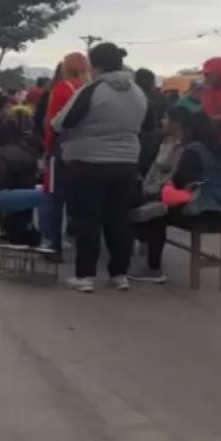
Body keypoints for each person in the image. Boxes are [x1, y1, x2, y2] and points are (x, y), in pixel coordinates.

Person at [52, 43, 146, 293]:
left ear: (97, 66)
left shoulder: (92, 91)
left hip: (89, 163)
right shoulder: (137, 92)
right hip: (127, 163)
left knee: (88, 220)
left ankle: (85, 276)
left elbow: (62, 122)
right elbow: (145, 123)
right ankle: (119, 274)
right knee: (119, 220)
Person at [129, 105, 221, 284]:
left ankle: (153, 269)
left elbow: (179, 181)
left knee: (155, 214)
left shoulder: (195, 150)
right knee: (158, 205)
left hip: (207, 212)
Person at [40, 53, 91, 256]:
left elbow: (52, 124)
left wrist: (47, 150)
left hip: (60, 150)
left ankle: (53, 244)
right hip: (85, 151)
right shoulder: (90, 90)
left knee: (53, 197)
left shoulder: (62, 89)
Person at [0, 117, 50, 248]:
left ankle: (19, 230)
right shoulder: (28, 160)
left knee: (34, 195)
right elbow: (27, 187)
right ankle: (47, 237)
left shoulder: (12, 150)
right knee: (46, 195)